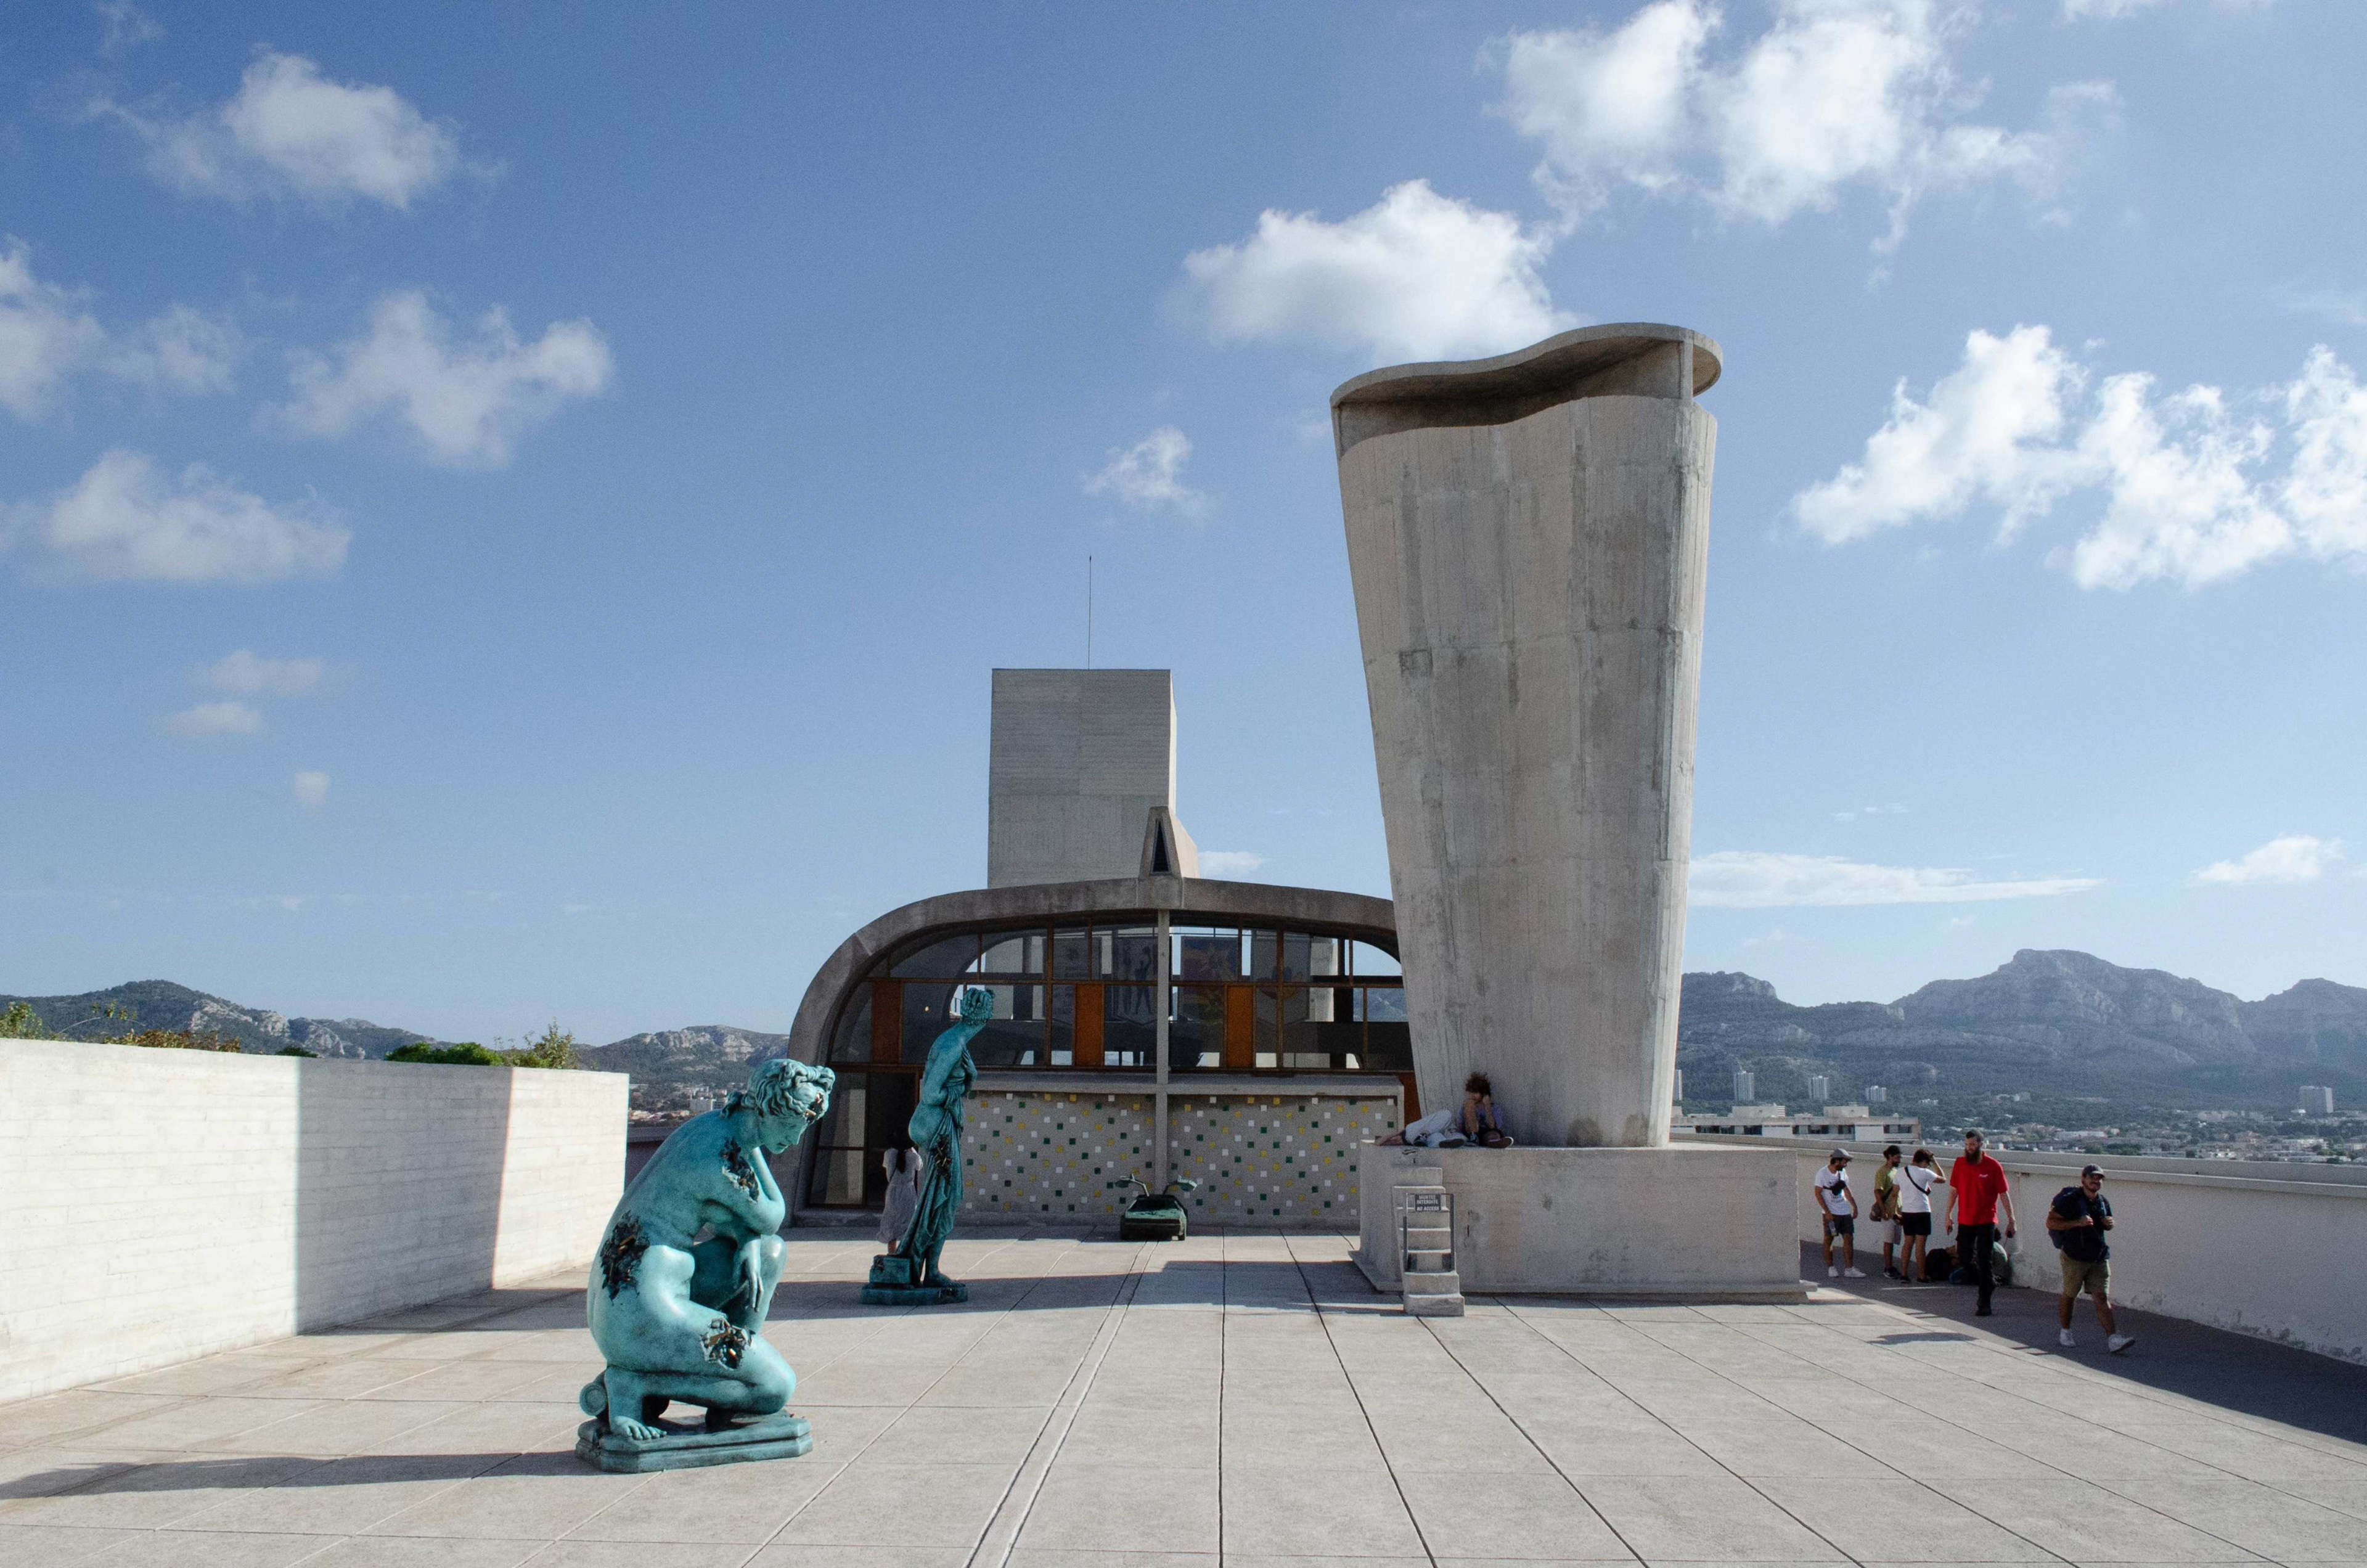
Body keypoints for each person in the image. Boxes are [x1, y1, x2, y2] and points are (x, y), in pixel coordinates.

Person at [2048, 1163, 2135, 1354]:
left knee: (2101, 1297)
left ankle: (2113, 1339)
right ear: (2083, 1179)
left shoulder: (2102, 1201)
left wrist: (2109, 1224)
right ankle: (2066, 1331)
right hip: (2074, 1256)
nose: (2096, 1181)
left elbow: (2106, 1225)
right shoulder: (2070, 1199)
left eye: (2100, 1178)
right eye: (2093, 1177)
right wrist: (2076, 1223)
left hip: (2098, 1256)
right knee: (2070, 1295)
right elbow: (2051, 1221)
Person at [1944, 1129, 2016, 1316]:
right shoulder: (1960, 1164)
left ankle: (1984, 1300)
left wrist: (2011, 1220)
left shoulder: (1993, 1166)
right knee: (1964, 1256)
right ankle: (1987, 1279)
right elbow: (1954, 1191)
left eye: (1973, 1145)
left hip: (1986, 1220)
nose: (1969, 1148)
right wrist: (1948, 1215)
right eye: (1967, 1145)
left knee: (1985, 1260)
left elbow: (2004, 1194)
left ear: (1981, 1145)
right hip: (1965, 1219)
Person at [1815, 1148, 1865, 1278]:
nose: (1846, 1164)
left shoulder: (1842, 1173)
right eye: (1844, 1161)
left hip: (1844, 1212)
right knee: (1829, 1239)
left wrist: (1854, 1206)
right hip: (1832, 1214)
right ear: (1836, 1161)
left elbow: (1846, 1189)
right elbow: (1818, 1193)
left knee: (1849, 1238)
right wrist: (1827, 1212)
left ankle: (1849, 1269)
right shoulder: (1822, 1173)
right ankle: (1831, 1267)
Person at [1894, 1147, 1940, 1283]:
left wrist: (1896, 1212)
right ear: (1925, 1161)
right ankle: (1921, 1275)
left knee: (1908, 1243)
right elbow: (1943, 1178)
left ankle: (1904, 1274)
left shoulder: (1901, 1172)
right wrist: (1935, 1162)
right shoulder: (1925, 1172)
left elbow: (1895, 1193)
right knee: (1920, 1245)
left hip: (1907, 1212)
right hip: (1922, 1211)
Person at [1872, 1145, 1905, 1278]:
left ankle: (1891, 1266)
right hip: (1888, 1211)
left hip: (1898, 1211)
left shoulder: (1897, 1172)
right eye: (1897, 1157)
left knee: (1894, 1240)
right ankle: (1888, 1267)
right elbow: (1878, 1192)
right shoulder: (1882, 1172)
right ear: (1890, 1157)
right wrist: (1884, 1210)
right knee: (1888, 1240)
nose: (1899, 1160)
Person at [1461, 1072, 1515, 1148]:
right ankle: (1474, 1138)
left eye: (1475, 1092)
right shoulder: (1468, 1105)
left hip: (1486, 1133)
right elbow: (1460, 1125)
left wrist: (1487, 1107)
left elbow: (1492, 1126)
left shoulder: (1495, 1108)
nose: (1472, 1095)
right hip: (1470, 1133)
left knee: (1494, 1135)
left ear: (1484, 1093)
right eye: (1471, 1092)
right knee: (1469, 1103)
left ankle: (1495, 1143)